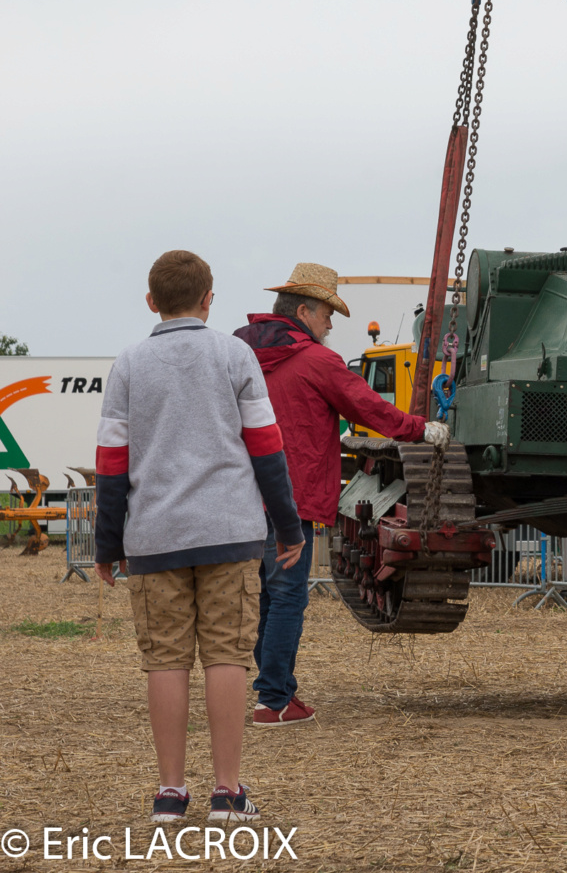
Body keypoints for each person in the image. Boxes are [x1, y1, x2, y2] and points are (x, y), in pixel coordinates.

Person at [94, 249, 305, 827]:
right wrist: (287, 526)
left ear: (150, 301)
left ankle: (168, 793)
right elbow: (266, 446)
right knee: (228, 656)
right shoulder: (235, 354)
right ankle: (227, 793)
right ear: (209, 299)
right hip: (230, 534)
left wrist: (107, 545)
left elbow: (112, 463)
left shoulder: (130, 364)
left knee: (163, 660)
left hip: (154, 537)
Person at [234, 262, 449, 727]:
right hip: (294, 495)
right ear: (305, 310)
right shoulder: (317, 361)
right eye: (328, 313)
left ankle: (273, 692)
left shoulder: (240, 354)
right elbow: (368, 406)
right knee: (288, 596)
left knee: (266, 598)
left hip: (244, 494)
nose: (331, 324)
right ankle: (273, 700)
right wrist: (421, 429)